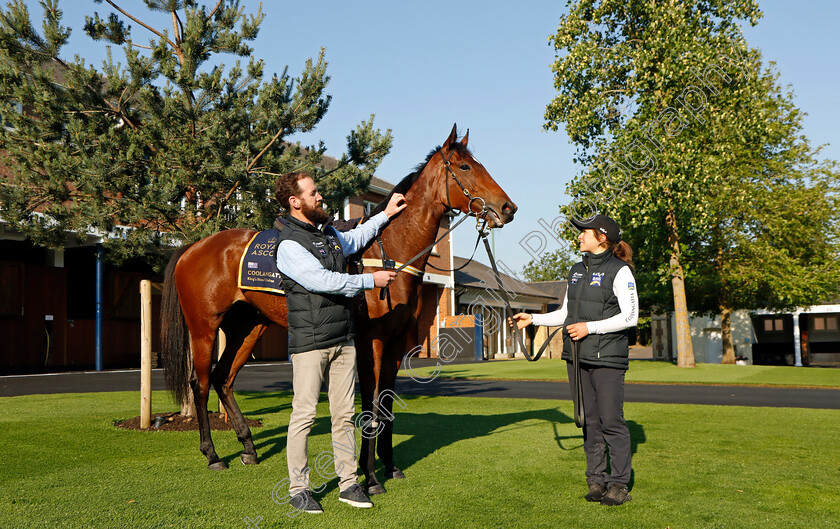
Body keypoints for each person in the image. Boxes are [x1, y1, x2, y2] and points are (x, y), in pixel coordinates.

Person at [274, 171, 406, 514]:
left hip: (342, 339)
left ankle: (348, 483)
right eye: (313, 192)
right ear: (295, 201)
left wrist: (386, 213)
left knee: (344, 415)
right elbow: (323, 281)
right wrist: (369, 280)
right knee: (304, 415)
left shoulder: (329, 234)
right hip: (310, 343)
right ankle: (299, 489)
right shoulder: (288, 243)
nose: (320, 197)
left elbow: (358, 236)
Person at [511, 214, 638, 506]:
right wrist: (533, 318)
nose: (579, 236)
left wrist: (589, 328)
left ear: (601, 238)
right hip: (577, 357)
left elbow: (631, 317)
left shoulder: (620, 271)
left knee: (611, 421)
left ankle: (618, 484)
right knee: (588, 421)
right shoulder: (576, 270)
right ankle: (596, 480)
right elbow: (566, 314)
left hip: (607, 358)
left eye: (584, 232)